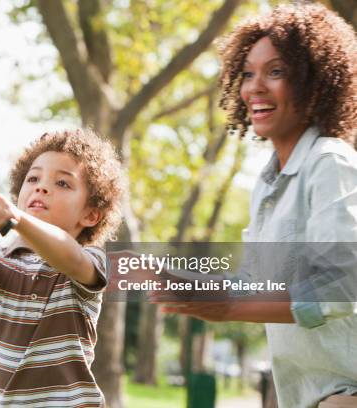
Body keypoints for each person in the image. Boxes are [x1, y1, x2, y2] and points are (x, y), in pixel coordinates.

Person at [153, 4, 357, 408]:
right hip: (301, 395)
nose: (254, 87)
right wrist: (185, 283)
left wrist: (228, 307)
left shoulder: (329, 162)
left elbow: (342, 287)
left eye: (275, 72)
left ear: (313, 82)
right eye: (247, 73)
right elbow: (254, 284)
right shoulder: (265, 187)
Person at [0, 129, 124, 407]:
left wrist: (17, 219)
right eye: (33, 178)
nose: (41, 187)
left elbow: (70, 258)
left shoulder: (89, 260)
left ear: (90, 215)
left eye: (62, 183)